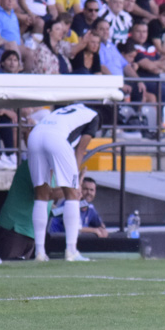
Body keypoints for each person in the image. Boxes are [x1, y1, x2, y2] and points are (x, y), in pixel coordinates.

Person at [27, 103, 100, 262]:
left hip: (35, 135)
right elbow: (80, 150)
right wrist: (77, 179)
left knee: (40, 195)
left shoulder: (64, 110)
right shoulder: (93, 115)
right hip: (56, 138)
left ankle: (40, 252)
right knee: (72, 194)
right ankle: (71, 250)